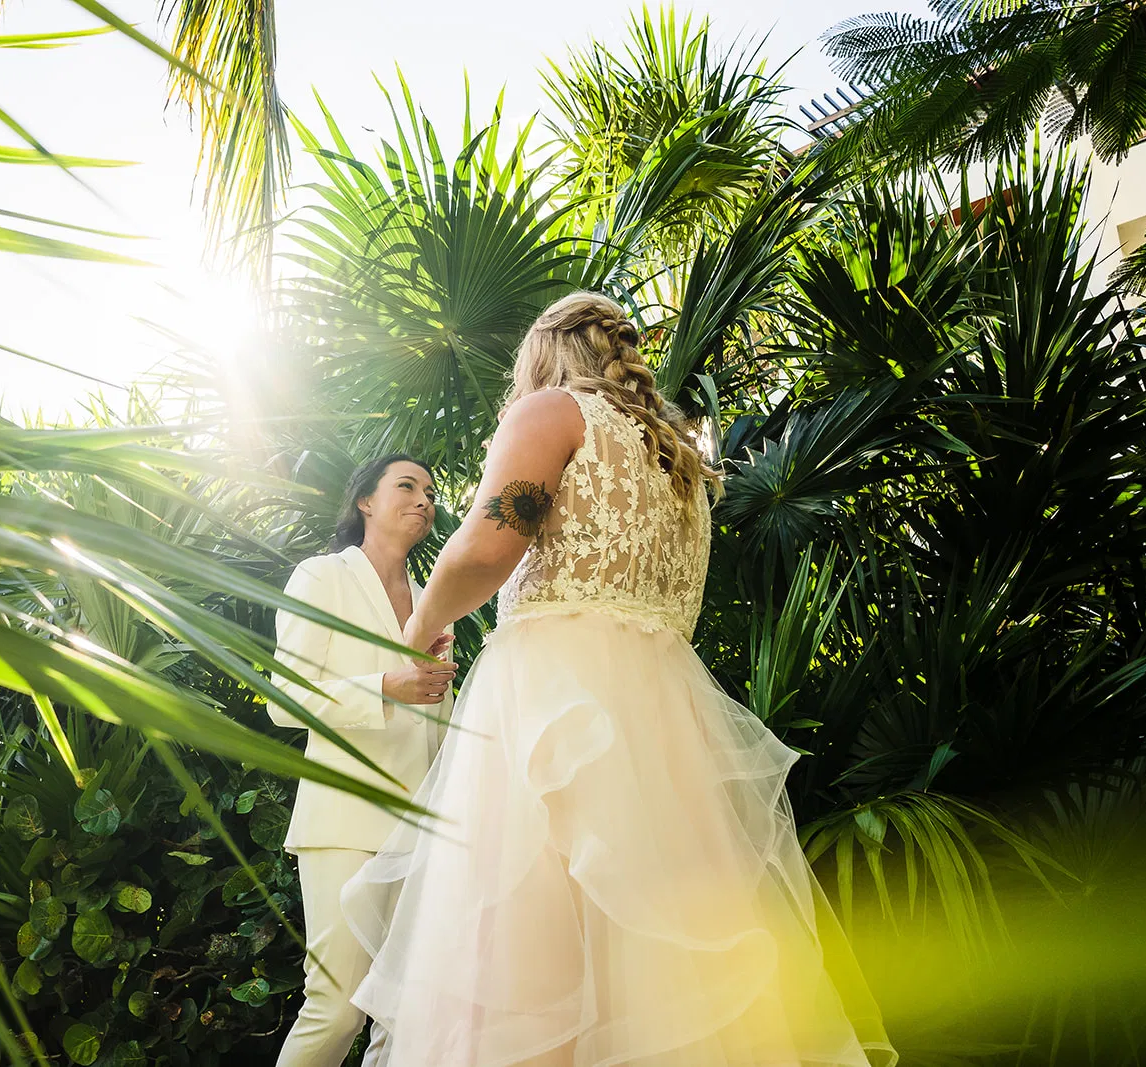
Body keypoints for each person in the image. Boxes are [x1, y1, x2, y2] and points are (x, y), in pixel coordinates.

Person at [341, 292, 898, 1067]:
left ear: (543, 357)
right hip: (665, 721)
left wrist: (417, 630)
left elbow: (485, 546)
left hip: (553, 700)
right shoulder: (682, 464)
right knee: (666, 973)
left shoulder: (550, 414)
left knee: (527, 965)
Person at [268, 453, 457, 1067]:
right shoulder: (321, 577)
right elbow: (284, 701)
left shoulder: (435, 601)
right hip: (346, 822)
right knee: (338, 1007)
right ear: (365, 503)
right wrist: (384, 686)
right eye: (406, 486)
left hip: (420, 830)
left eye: (430, 490)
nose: (424, 499)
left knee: (407, 1013)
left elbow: (436, 722)